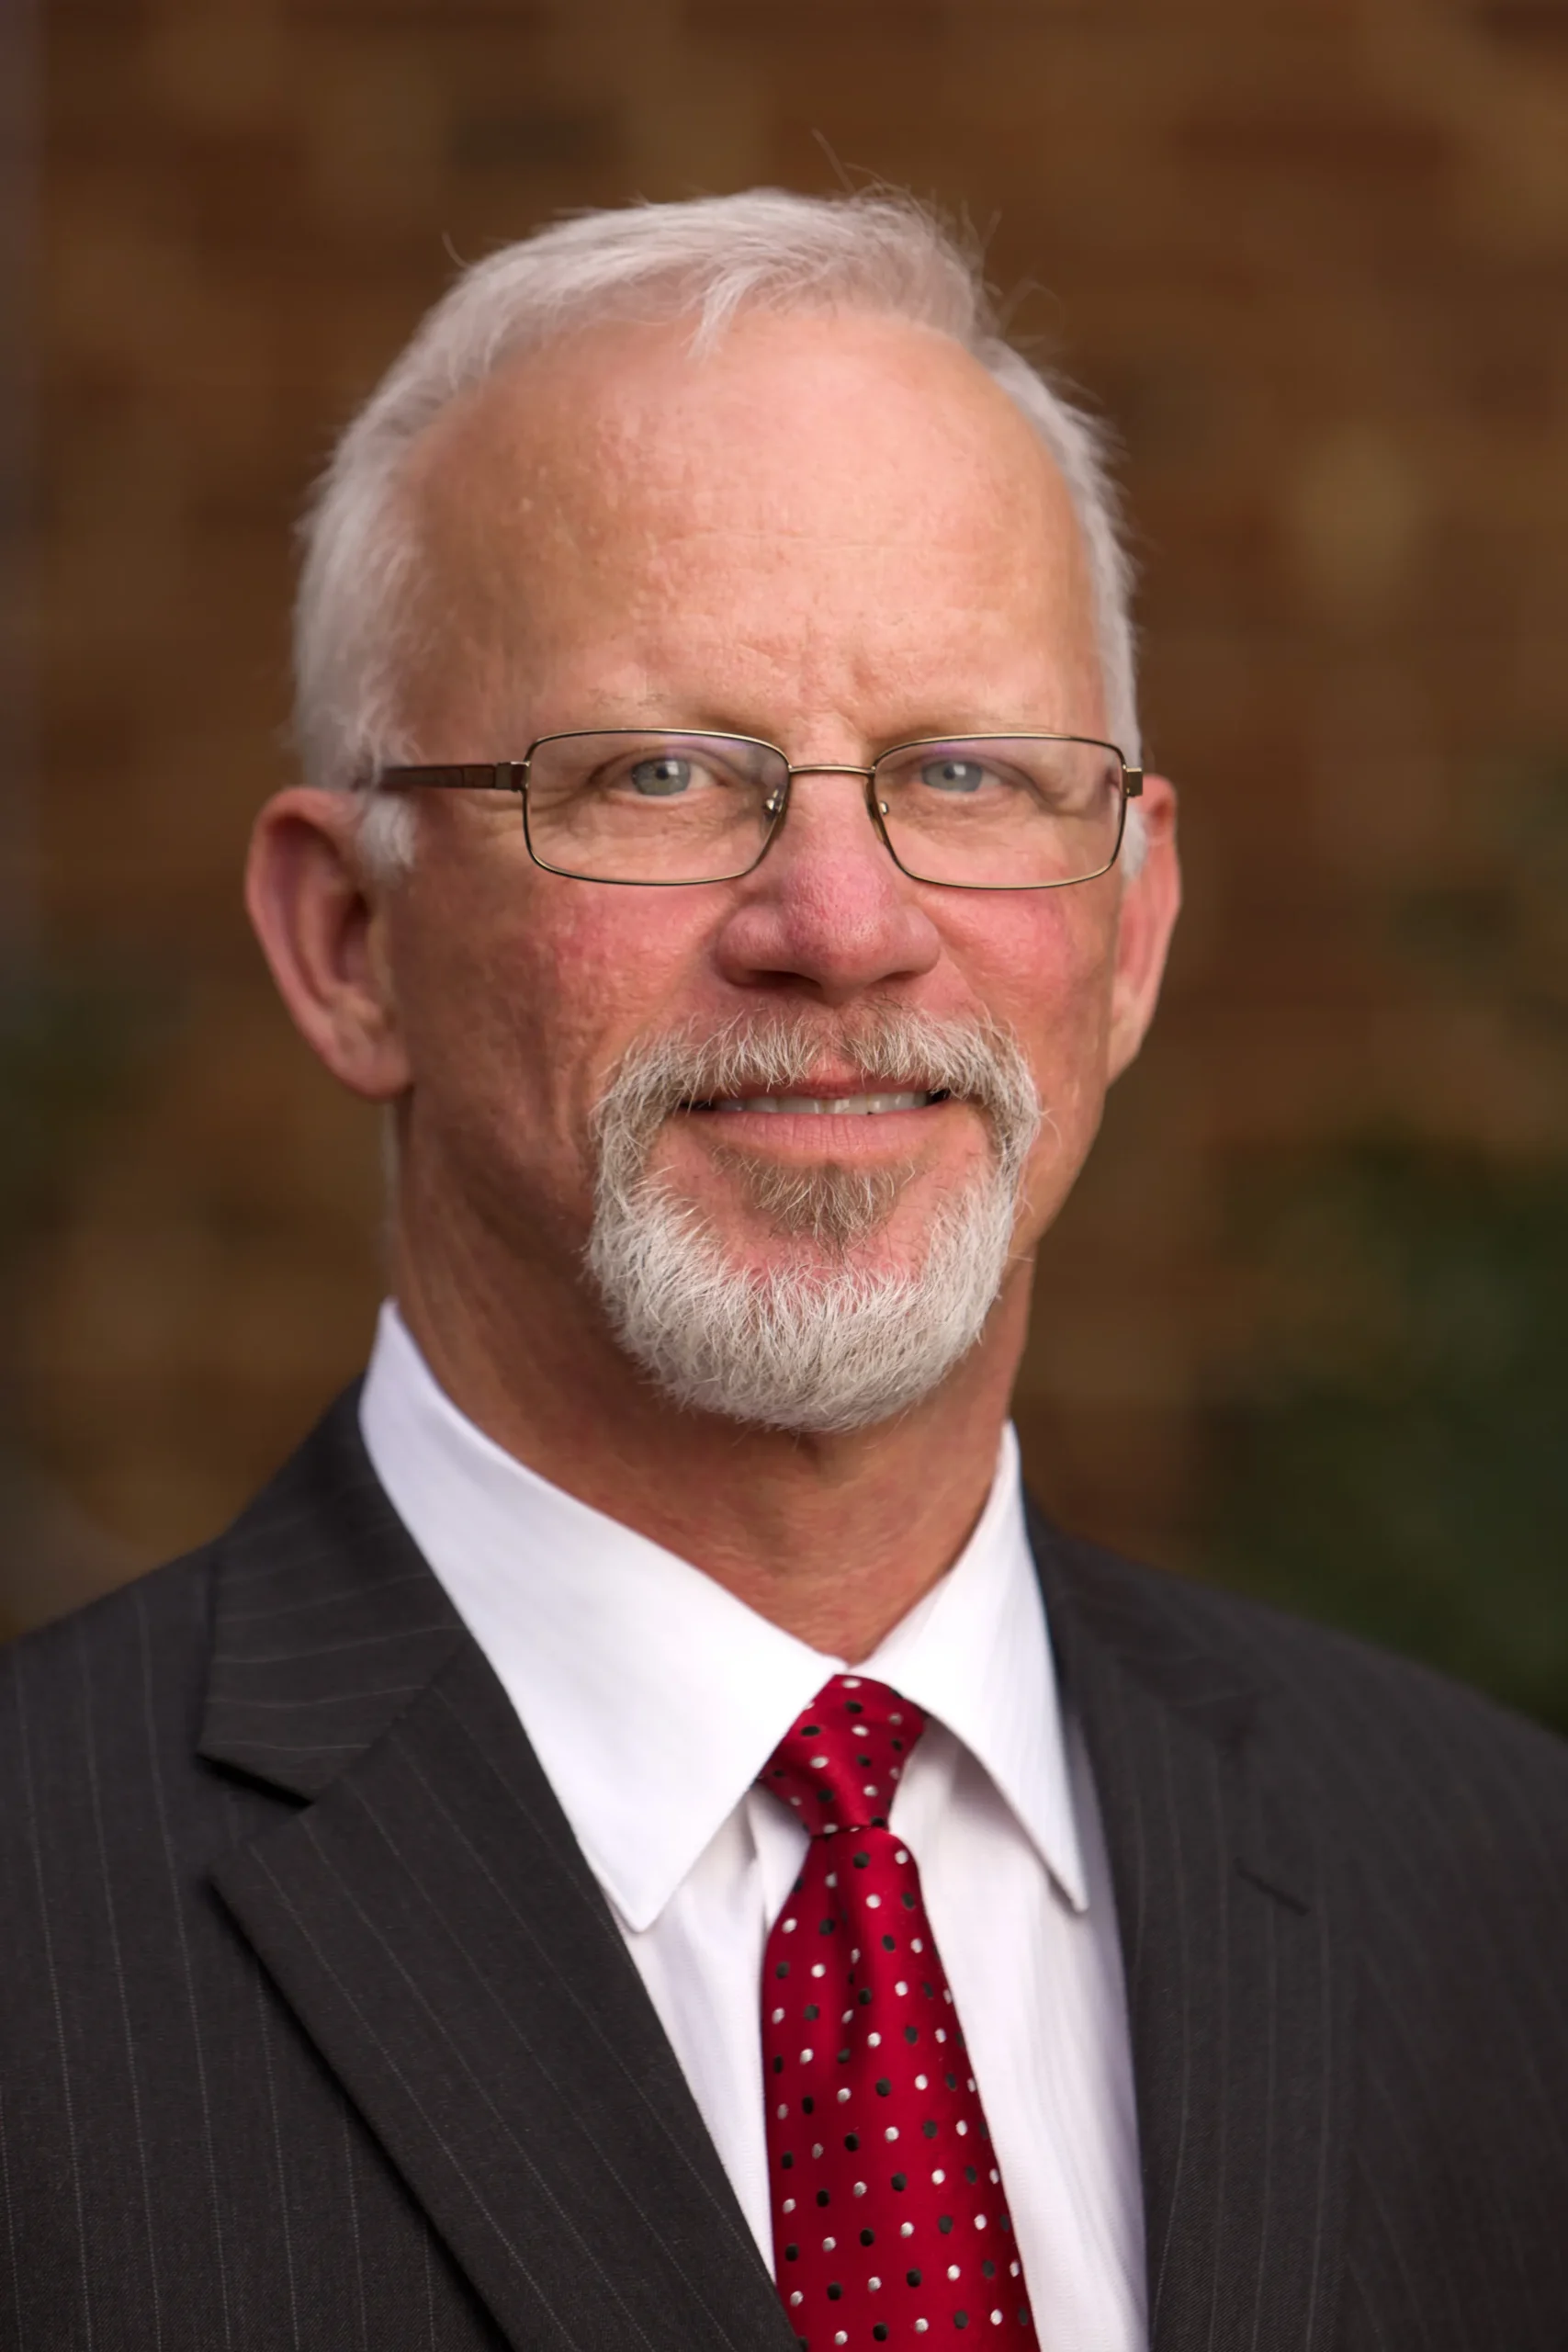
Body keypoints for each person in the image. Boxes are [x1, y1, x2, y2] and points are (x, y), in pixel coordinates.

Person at [3, 189, 1565, 2352]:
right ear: (347, 941)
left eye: (964, 771)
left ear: (1126, 929)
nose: (839, 920)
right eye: (656, 770)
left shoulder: (1502, 1891)